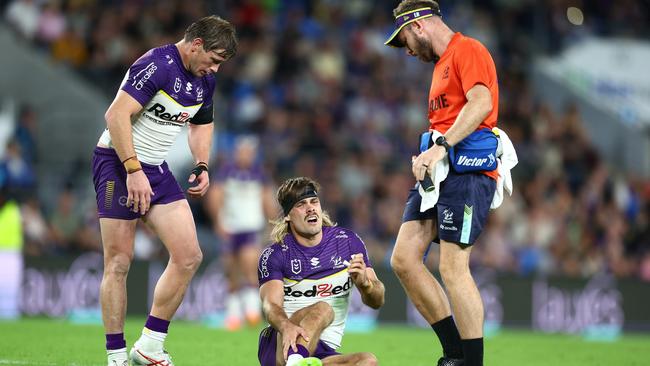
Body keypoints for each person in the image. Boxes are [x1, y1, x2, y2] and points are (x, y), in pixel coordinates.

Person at [91, 15, 237, 366]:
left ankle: (149, 346)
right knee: (119, 262)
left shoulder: (205, 81)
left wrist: (202, 164)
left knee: (189, 256)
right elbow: (115, 116)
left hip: (155, 170)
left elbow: (202, 125)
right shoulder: (157, 64)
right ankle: (115, 357)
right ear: (196, 44)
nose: (214, 69)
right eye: (214, 60)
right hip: (117, 163)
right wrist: (133, 170)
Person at [385, 1, 501, 366]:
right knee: (403, 258)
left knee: (453, 266)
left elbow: (481, 102)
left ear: (418, 25)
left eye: (402, 38)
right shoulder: (440, 66)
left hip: (467, 171)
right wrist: (429, 153)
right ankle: (454, 354)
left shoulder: (469, 49)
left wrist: (440, 147)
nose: (405, 48)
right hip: (440, 172)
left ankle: (473, 362)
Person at [258, 177, 384, 366]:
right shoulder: (276, 254)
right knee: (323, 308)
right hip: (281, 341)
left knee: (368, 361)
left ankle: (301, 363)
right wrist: (286, 326)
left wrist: (365, 285)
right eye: (301, 204)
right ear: (288, 216)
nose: (310, 208)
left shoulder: (348, 242)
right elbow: (271, 306)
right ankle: (295, 360)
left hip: (321, 352)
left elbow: (377, 300)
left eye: (314, 201)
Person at [206, 135, 276, 330]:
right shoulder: (226, 172)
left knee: (250, 267)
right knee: (232, 271)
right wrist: (218, 222)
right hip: (230, 227)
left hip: (250, 227)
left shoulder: (260, 174)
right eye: (242, 151)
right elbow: (214, 196)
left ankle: (253, 313)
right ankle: (234, 317)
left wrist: (272, 224)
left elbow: (267, 200)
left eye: (249, 152)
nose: (245, 155)